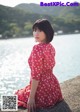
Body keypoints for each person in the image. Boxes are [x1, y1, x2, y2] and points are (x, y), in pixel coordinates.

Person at [14, 19, 72, 112]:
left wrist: (31, 98)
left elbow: (36, 76)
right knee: (21, 92)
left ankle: (4, 108)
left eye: (40, 30)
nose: (36, 33)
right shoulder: (50, 47)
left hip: (41, 90)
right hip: (53, 88)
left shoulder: (37, 48)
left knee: (14, 96)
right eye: (34, 30)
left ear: (47, 32)